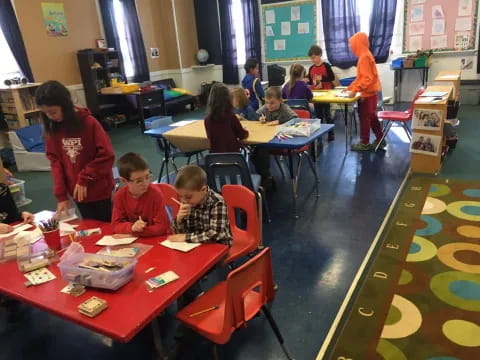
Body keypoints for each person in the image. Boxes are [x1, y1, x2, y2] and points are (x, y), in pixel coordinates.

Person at [36, 81, 115, 222]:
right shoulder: (52, 129)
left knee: (106, 226)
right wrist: (61, 196)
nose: (50, 117)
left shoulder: (89, 122)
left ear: (65, 105)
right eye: (46, 113)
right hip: (78, 192)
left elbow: (107, 155)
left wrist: (85, 177)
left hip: (99, 188)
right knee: (89, 227)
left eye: (53, 112)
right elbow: (56, 164)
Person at [168, 165, 232, 245]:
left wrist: (186, 237)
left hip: (218, 246)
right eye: (180, 196)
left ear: (203, 190)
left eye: (188, 197)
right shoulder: (189, 202)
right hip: (196, 245)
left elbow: (216, 234)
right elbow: (180, 234)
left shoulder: (217, 202)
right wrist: (179, 220)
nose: (183, 201)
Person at [111, 152, 170, 237]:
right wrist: (131, 227)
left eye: (147, 177)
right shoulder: (120, 196)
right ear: (124, 181)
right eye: (138, 181)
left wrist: (134, 233)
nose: (145, 183)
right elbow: (115, 225)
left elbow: (162, 227)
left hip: (155, 239)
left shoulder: (155, 194)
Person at [345, 33, 385, 151]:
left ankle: (364, 142)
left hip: (367, 95)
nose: (352, 48)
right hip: (371, 93)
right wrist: (350, 88)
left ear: (358, 44)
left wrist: (355, 90)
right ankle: (380, 139)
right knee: (372, 118)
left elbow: (366, 79)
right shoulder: (366, 54)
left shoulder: (364, 57)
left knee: (365, 119)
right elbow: (360, 78)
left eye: (352, 45)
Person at [204, 83, 249, 153]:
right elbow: (242, 135)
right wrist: (245, 131)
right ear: (228, 98)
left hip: (215, 159)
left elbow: (210, 137)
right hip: (233, 157)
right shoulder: (231, 116)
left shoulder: (207, 119)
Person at [307, 45, 335, 141]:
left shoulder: (326, 66)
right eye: (311, 58)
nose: (313, 60)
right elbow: (311, 81)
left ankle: (331, 133)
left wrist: (321, 78)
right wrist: (306, 80)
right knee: (318, 115)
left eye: (314, 57)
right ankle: (318, 135)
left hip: (326, 94)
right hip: (316, 95)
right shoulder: (311, 68)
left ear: (319, 55)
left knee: (327, 114)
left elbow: (332, 78)